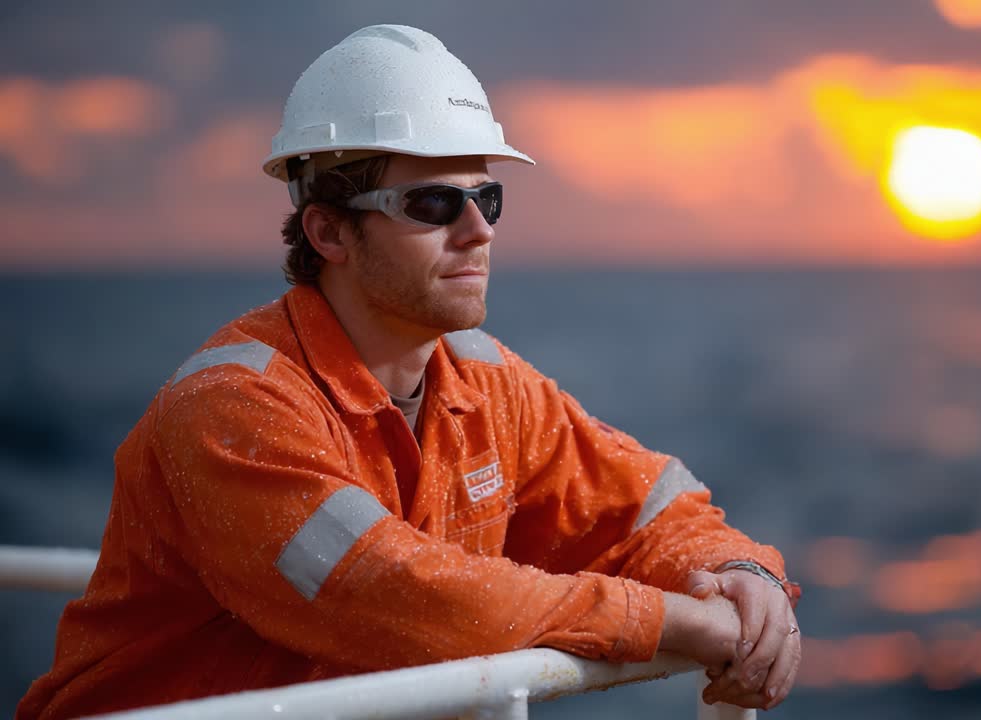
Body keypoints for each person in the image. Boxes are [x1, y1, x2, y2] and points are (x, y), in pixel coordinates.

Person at [17, 24, 800, 719]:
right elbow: (390, 594)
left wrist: (740, 576)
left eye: (488, 199)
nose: (478, 230)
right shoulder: (233, 407)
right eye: (433, 205)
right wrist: (671, 623)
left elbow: (648, 510)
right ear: (329, 233)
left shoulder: (488, 386)